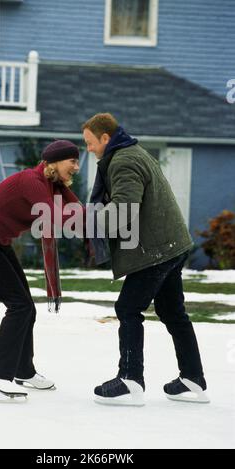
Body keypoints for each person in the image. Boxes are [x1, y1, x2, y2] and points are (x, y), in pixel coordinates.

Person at [83, 113, 209, 406]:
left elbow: (124, 210)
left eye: (89, 143)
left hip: (155, 249)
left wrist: (88, 220)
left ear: (105, 138)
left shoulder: (124, 160)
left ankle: (130, 381)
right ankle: (193, 379)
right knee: (173, 312)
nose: (88, 149)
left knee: (127, 308)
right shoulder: (133, 151)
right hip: (172, 244)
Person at [0, 140, 82, 399]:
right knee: (20, 307)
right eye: (72, 161)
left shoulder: (52, 186)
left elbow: (75, 213)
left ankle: (23, 371)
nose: (77, 167)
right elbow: (55, 217)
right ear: (54, 162)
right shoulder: (31, 181)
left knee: (25, 306)